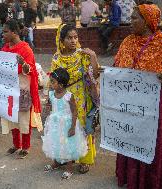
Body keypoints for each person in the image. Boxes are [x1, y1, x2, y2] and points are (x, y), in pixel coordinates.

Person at [114, 4, 162, 189]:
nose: (131, 21)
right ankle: (131, 177)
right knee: (130, 138)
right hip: (129, 103)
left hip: (152, 105)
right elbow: (116, 68)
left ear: (147, 21)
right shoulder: (127, 42)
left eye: (135, 18)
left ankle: (151, 179)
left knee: (150, 141)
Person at [50, 24, 99, 174]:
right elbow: (53, 80)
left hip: (81, 98)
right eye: (69, 38)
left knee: (82, 127)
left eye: (75, 37)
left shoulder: (83, 55)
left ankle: (84, 159)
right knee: (64, 127)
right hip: (63, 99)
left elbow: (95, 76)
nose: (73, 40)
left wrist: (93, 57)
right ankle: (64, 157)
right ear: (61, 40)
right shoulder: (57, 58)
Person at [1, 19, 42, 159]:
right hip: (9, 89)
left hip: (23, 88)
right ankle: (16, 144)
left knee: (23, 117)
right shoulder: (5, 48)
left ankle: (26, 147)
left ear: (14, 32)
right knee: (11, 117)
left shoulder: (25, 49)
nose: (3, 34)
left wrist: (23, 63)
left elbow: (30, 69)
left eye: (5, 32)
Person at [42, 68, 88, 179]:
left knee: (67, 145)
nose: (51, 84)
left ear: (61, 85)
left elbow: (74, 111)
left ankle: (69, 168)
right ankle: (56, 162)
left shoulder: (69, 96)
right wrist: (47, 111)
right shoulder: (52, 94)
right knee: (55, 142)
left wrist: (72, 127)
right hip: (55, 124)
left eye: (53, 82)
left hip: (66, 125)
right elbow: (52, 107)